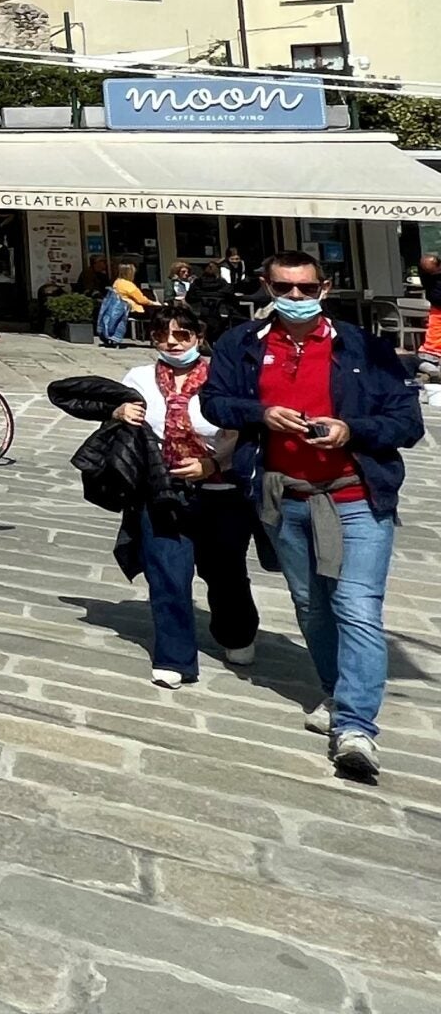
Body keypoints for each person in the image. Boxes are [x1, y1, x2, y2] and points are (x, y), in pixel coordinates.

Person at [201, 250, 423, 782]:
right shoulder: (241, 345)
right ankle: (334, 690)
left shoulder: (363, 347)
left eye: (306, 288)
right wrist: (260, 413)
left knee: (357, 607)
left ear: (325, 289)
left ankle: (355, 727)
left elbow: (406, 421)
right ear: (266, 286)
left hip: (355, 496)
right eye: (284, 288)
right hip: (285, 497)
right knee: (312, 605)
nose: (295, 298)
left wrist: (351, 429)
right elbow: (213, 402)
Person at [112, 302, 259, 689]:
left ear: (199, 337)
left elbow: (242, 431)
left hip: (221, 491)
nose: (172, 343)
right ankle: (175, 658)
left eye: (181, 335)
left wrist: (211, 465)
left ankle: (237, 632)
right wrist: (119, 412)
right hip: (161, 491)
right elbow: (120, 419)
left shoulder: (222, 378)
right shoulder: (140, 377)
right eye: (162, 335)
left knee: (224, 572)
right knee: (168, 575)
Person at [98, 259, 153, 348]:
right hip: (131, 310)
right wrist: (154, 302)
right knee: (155, 314)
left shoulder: (117, 282)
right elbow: (142, 300)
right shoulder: (128, 285)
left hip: (118, 308)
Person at [415, 253, 441, 386]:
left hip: (436, 308)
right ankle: (431, 366)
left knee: (435, 334)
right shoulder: (432, 279)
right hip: (437, 308)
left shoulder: (428, 277)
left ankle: (430, 365)